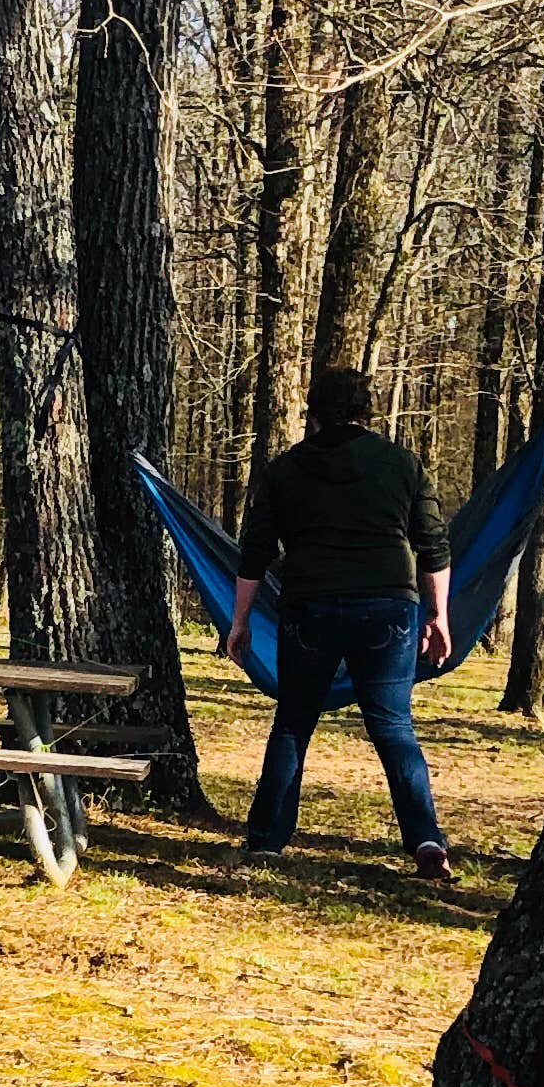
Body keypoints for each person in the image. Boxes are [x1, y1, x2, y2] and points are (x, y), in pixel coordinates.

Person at [223, 368, 454, 879]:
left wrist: (239, 622)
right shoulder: (403, 465)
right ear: (366, 409)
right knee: (394, 727)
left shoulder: (285, 471)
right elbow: (433, 547)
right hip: (388, 609)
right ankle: (425, 840)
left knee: (293, 723)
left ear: (315, 410)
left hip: (311, 608)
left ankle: (266, 841)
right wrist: (438, 616)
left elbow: (255, 554)